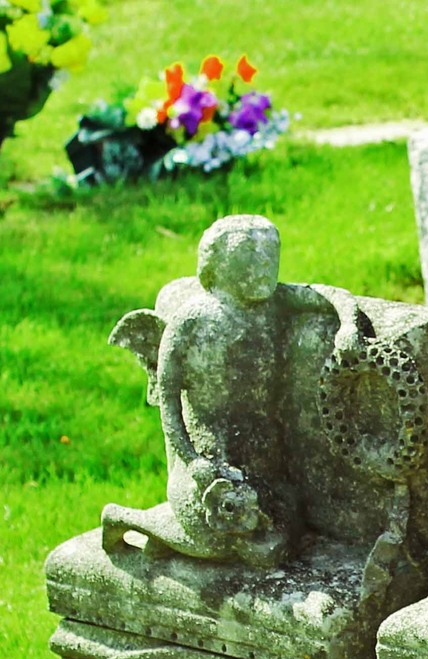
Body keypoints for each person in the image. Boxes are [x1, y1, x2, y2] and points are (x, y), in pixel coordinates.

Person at [106, 214, 363, 565]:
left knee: (274, 544)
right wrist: (193, 461)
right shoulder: (192, 321)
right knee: (220, 542)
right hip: (208, 466)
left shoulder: (277, 303)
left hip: (263, 467)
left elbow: (329, 295)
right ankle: (129, 520)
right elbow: (168, 400)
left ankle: (173, 532)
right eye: (250, 256)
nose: (263, 267)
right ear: (221, 264)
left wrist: (348, 326)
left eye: (270, 255)